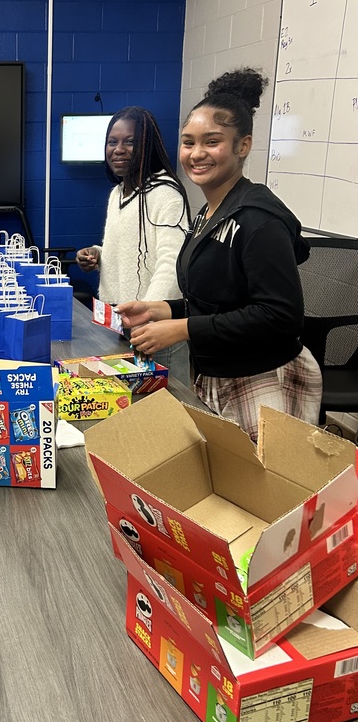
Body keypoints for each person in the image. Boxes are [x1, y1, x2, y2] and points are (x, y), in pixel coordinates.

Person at [117, 68, 322, 442]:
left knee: (264, 496)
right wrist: (162, 310)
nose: (196, 154)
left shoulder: (258, 219)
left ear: (243, 146)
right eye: (188, 142)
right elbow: (216, 301)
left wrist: (180, 328)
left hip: (261, 378)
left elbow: (280, 316)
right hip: (216, 373)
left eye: (211, 142)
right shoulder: (208, 213)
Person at [75, 107, 191, 384]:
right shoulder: (119, 193)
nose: (119, 149)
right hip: (119, 323)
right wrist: (97, 254)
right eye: (112, 142)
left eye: (130, 142)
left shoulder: (165, 194)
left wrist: (149, 318)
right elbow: (126, 248)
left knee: (166, 410)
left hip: (154, 330)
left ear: (147, 146)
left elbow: (170, 264)